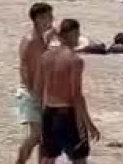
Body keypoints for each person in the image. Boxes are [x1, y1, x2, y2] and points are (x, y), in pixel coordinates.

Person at [36, 19, 100, 163]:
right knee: (78, 158)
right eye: (77, 34)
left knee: (48, 157)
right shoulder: (74, 60)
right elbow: (76, 95)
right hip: (66, 113)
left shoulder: (46, 56)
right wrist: (88, 124)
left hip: (48, 112)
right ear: (72, 34)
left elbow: (40, 87)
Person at [15, 3, 55, 164]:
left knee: (45, 135)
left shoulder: (41, 38)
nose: (51, 20)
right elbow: (24, 68)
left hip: (42, 91)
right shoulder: (31, 41)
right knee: (36, 135)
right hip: (32, 92)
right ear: (38, 19)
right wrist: (34, 94)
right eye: (48, 17)